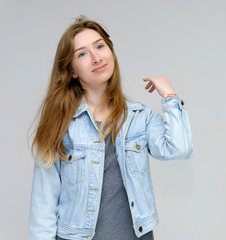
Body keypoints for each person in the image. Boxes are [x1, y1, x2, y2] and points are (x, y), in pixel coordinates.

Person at [29, 16, 193, 240]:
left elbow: (180, 149)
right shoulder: (59, 125)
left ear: (110, 52)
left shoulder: (139, 118)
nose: (96, 57)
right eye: (82, 54)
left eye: (100, 46)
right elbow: (43, 209)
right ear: (72, 71)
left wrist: (170, 96)